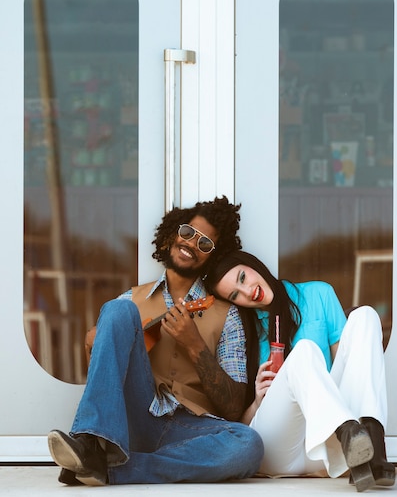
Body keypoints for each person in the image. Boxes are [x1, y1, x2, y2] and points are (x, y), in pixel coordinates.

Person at [47, 197, 264, 486]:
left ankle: (109, 469)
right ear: (172, 234)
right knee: (117, 310)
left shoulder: (228, 314)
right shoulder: (130, 300)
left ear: (213, 256)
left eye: (205, 244)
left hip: (189, 431)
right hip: (135, 417)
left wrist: (194, 344)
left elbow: (234, 409)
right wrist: (94, 343)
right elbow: (105, 378)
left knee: (248, 445)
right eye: (188, 232)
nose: (191, 244)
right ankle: (89, 442)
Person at [205, 250, 395, 493]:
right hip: (281, 451)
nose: (247, 291)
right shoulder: (241, 330)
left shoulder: (318, 294)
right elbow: (241, 428)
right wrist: (256, 401)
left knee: (365, 316)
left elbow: (350, 370)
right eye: (235, 295)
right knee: (304, 351)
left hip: (328, 449)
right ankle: (350, 433)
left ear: (253, 265)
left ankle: (373, 450)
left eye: (242, 278)